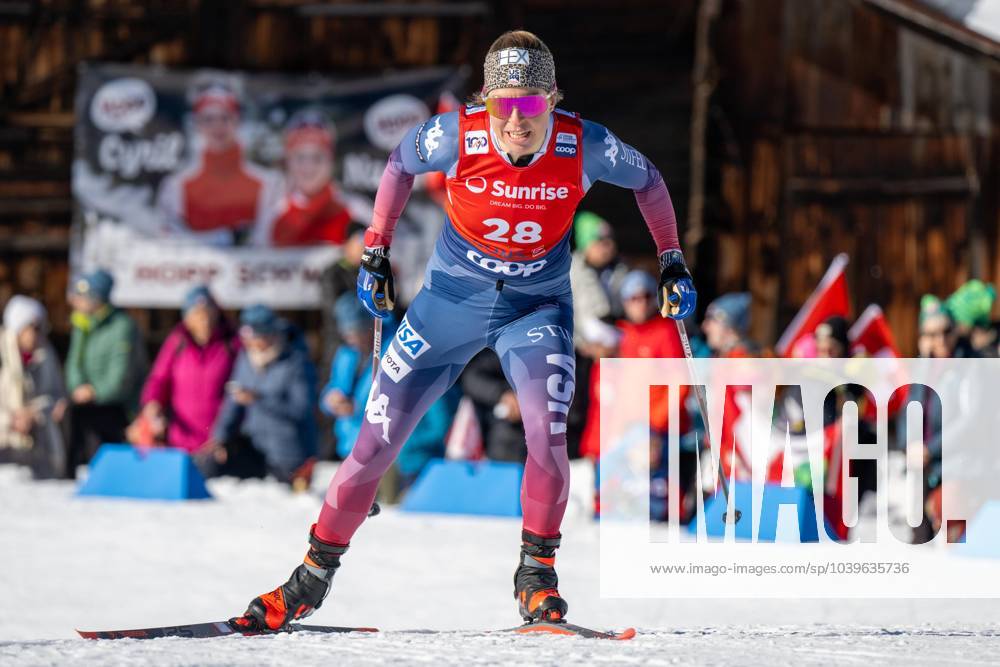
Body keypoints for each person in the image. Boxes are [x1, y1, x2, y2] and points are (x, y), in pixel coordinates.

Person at [231, 30, 696, 633]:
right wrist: (375, 249)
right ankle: (307, 581)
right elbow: (399, 163)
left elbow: (651, 181)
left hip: (535, 311)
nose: (518, 119)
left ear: (553, 99)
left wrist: (671, 260)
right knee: (372, 446)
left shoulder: (587, 144)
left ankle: (537, 578)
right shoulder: (458, 133)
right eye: (505, 104)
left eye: (532, 104)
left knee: (546, 438)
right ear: (485, 102)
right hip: (445, 307)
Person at [156, 74, 281, 245]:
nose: (218, 127)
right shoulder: (176, 187)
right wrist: (224, 238)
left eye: (225, 118)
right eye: (208, 119)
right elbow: (169, 240)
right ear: (198, 124)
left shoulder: (267, 184)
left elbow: (270, 244)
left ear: (237, 121)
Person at [207, 305, 318, 487]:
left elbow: (301, 409)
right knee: (212, 466)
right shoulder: (245, 359)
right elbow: (232, 404)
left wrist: (259, 399)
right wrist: (219, 438)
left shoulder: (295, 362)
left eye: (255, 337)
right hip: (256, 447)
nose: (250, 343)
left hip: (289, 454)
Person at [133, 286, 239, 454]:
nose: (204, 320)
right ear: (187, 318)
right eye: (197, 314)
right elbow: (159, 378)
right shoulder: (177, 342)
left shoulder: (231, 343)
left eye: (208, 312)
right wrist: (152, 403)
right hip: (180, 439)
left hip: (220, 442)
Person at [64, 270, 146, 477]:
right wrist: (78, 387)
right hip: (86, 403)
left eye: (83, 296)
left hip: (117, 407)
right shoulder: (82, 323)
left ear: (97, 298)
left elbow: (121, 378)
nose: (77, 301)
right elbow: (73, 363)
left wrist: (94, 391)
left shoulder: (122, 326)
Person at [255, 109, 354, 247]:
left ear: (330, 161)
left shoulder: (353, 208)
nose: (309, 167)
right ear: (288, 160)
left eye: (317, 158)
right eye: (300, 158)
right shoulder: (272, 209)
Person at [0, 296, 68, 478]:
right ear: (18, 328)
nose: (38, 334)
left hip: (38, 447)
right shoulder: (3, 354)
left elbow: (57, 394)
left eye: (41, 328)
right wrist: (10, 419)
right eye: (33, 328)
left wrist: (33, 412)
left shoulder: (46, 354)